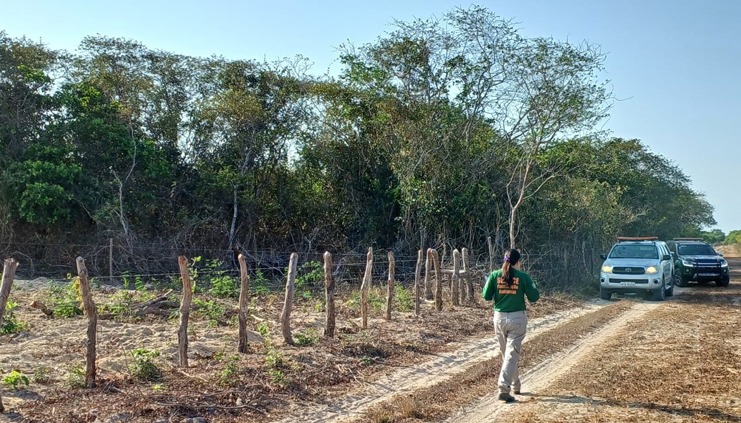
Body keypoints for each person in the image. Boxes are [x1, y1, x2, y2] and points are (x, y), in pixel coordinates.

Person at [482, 248, 540, 403]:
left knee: (507, 354)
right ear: (518, 262)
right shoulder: (523, 277)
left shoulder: (494, 275)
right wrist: (531, 285)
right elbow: (535, 297)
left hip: (499, 319)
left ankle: (516, 384)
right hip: (517, 319)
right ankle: (503, 388)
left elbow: (486, 296)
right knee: (511, 354)